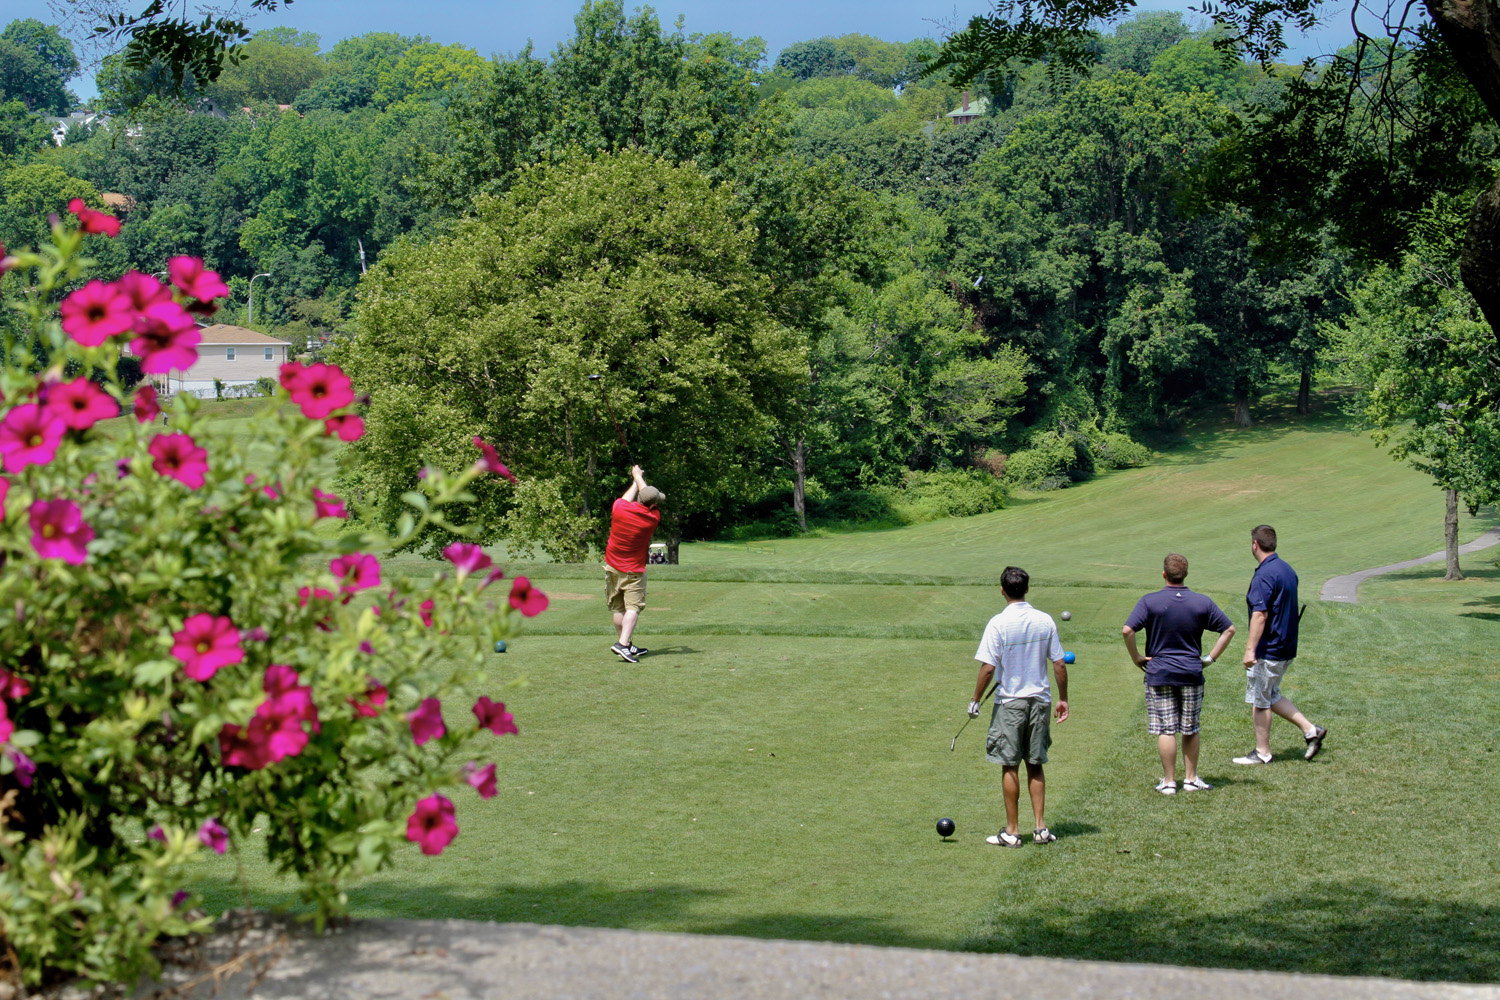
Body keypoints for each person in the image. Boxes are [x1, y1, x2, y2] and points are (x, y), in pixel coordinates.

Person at [967, 566, 1069, 847]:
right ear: (1026, 589)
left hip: (1010, 703)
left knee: (1009, 764)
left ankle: (1012, 832)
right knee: (1035, 764)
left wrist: (975, 699)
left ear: (1002, 590)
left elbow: (988, 668)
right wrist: (1063, 698)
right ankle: (1040, 829)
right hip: (1040, 701)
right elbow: (1058, 663)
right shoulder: (1045, 620)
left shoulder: (998, 623)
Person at [1122, 554, 1236, 795]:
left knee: (1166, 728)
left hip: (1159, 672)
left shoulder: (1149, 601)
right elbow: (1229, 629)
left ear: (1164, 574)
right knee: (1190, 727)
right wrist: (1210, 658)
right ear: (1185, 574)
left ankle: (1169, 782)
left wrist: (1136, 658)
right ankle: (1191, 779)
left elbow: (1127, 630)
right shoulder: (1201, 602)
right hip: (1191, 672)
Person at [1233, 524, 1327, 764]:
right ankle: (1311, 731)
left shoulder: (1264, 574)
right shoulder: (1287, 569)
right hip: (1286, 646)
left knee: (1260, 700)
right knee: (1271, 693)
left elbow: (1260, 614)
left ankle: (1262, 753)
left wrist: (1249, 650)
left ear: (1255, 544)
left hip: (1269, 648)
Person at [603, 464, 664, 664]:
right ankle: (622, 644)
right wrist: (639, 478)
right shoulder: (652, 518)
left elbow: (630, 497)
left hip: (611, 566)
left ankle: (627, 644)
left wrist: (635, 478)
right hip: (633, 571)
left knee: (618, 609)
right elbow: (648, 500)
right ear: (653, 505)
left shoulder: (619, 508)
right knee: (633, 607)